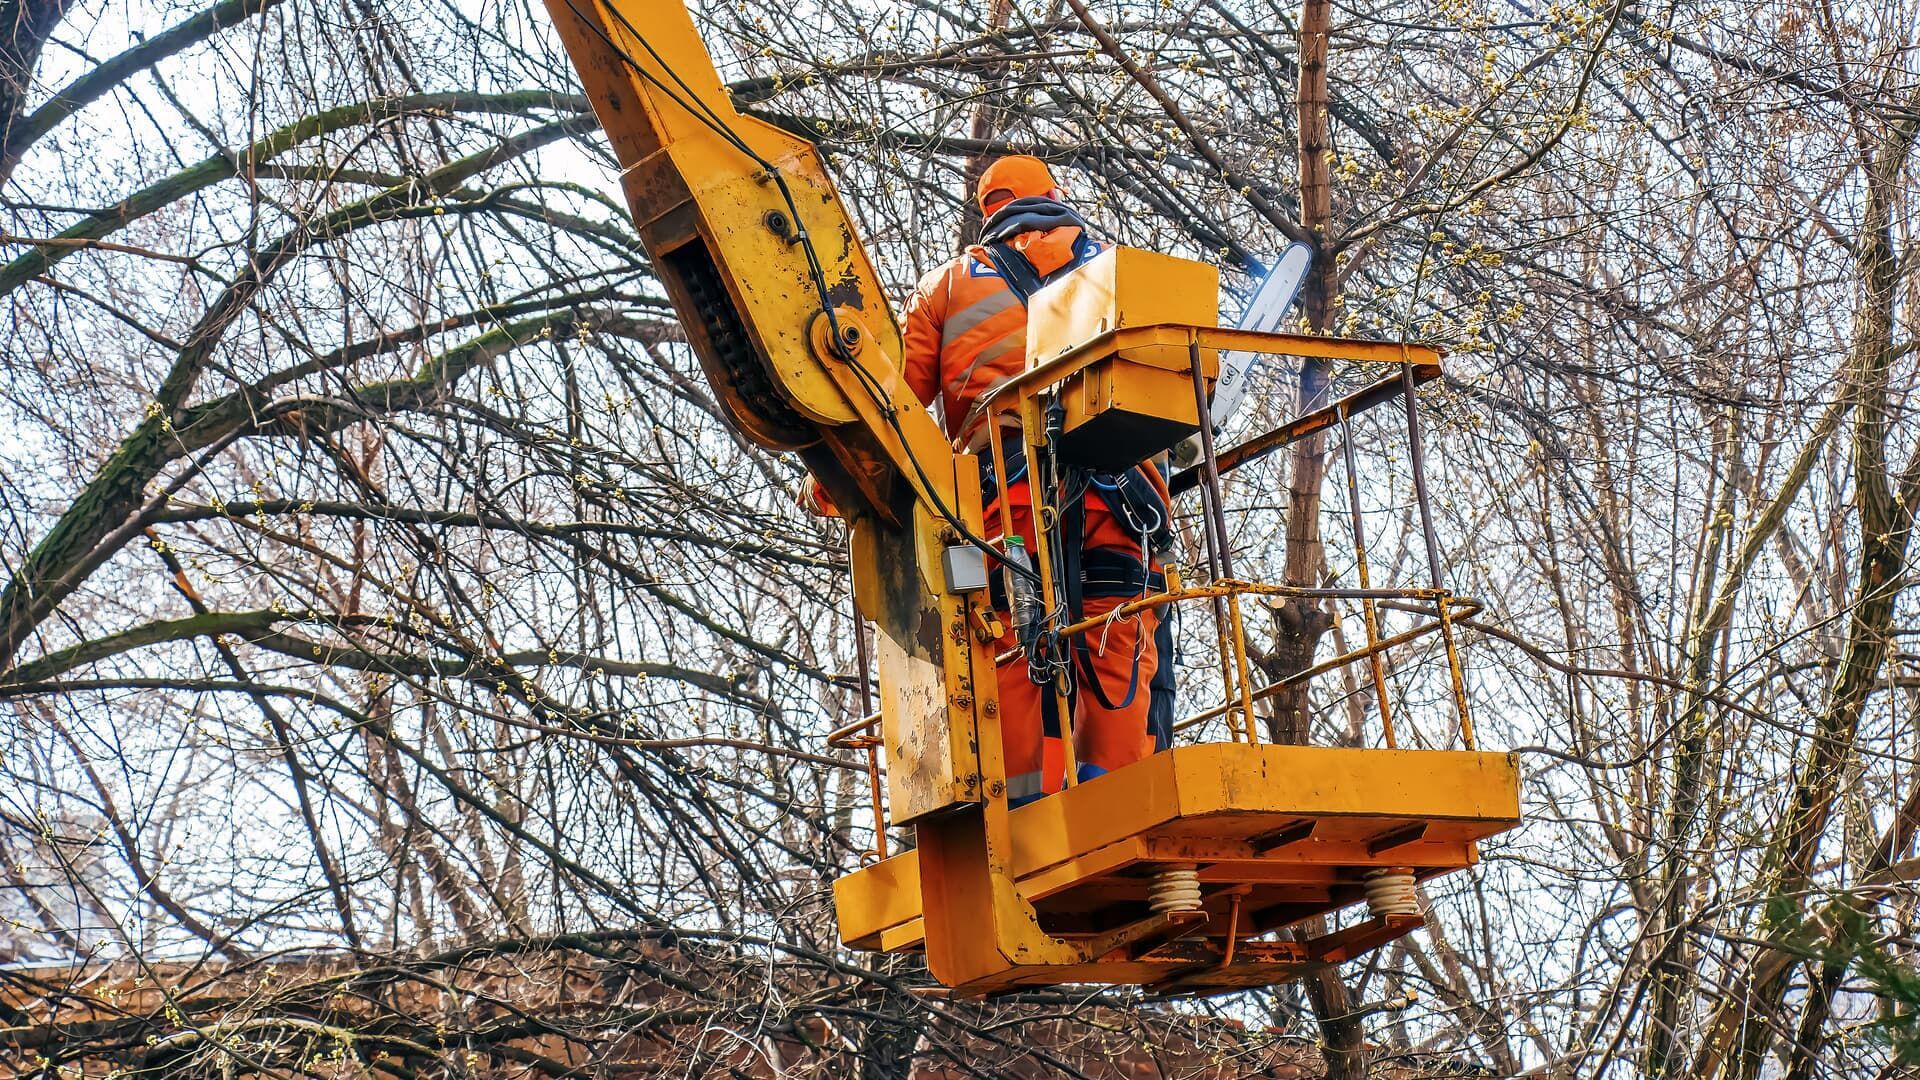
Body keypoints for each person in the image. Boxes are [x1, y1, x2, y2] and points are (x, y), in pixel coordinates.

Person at [900, 155, 1175, 806]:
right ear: (1058, 197)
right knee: (1121, 627)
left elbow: (899, 414)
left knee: (1008, 635)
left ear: (988, 213)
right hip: (1125, 500)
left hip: (1007, 503)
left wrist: (829, 489)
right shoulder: (1117, 267)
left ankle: (1027, 814)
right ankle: (1121, 801)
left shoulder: (945, 287)